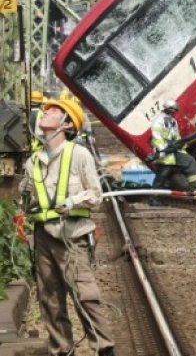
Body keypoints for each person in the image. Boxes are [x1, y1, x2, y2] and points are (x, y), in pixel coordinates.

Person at [18, 99, 115, 356]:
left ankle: (104, 349)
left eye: (54, 111)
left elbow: (95, 194)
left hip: (71, 234)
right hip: (43, 237)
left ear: (67, 124)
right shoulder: (33, 162)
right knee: (49, 298)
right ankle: (62, 349)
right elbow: (28, 204)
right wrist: (23, 196)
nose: (46, 113)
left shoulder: (78, 154)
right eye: (47, 110)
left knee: (84, 294)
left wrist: (72, 200)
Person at [149, 99, 196, 191]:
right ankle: (154, 197)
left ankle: (195, 188)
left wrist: (181, 148)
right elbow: (156, 138)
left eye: (175, 111)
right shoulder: (158, 121)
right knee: (162, 176)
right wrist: (163, 149)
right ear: (168, 110)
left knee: (189, 160)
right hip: (163, 154)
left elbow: (177, 137)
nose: (174, 113)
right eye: (173, 111)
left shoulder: (173, 121)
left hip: (173, 151)